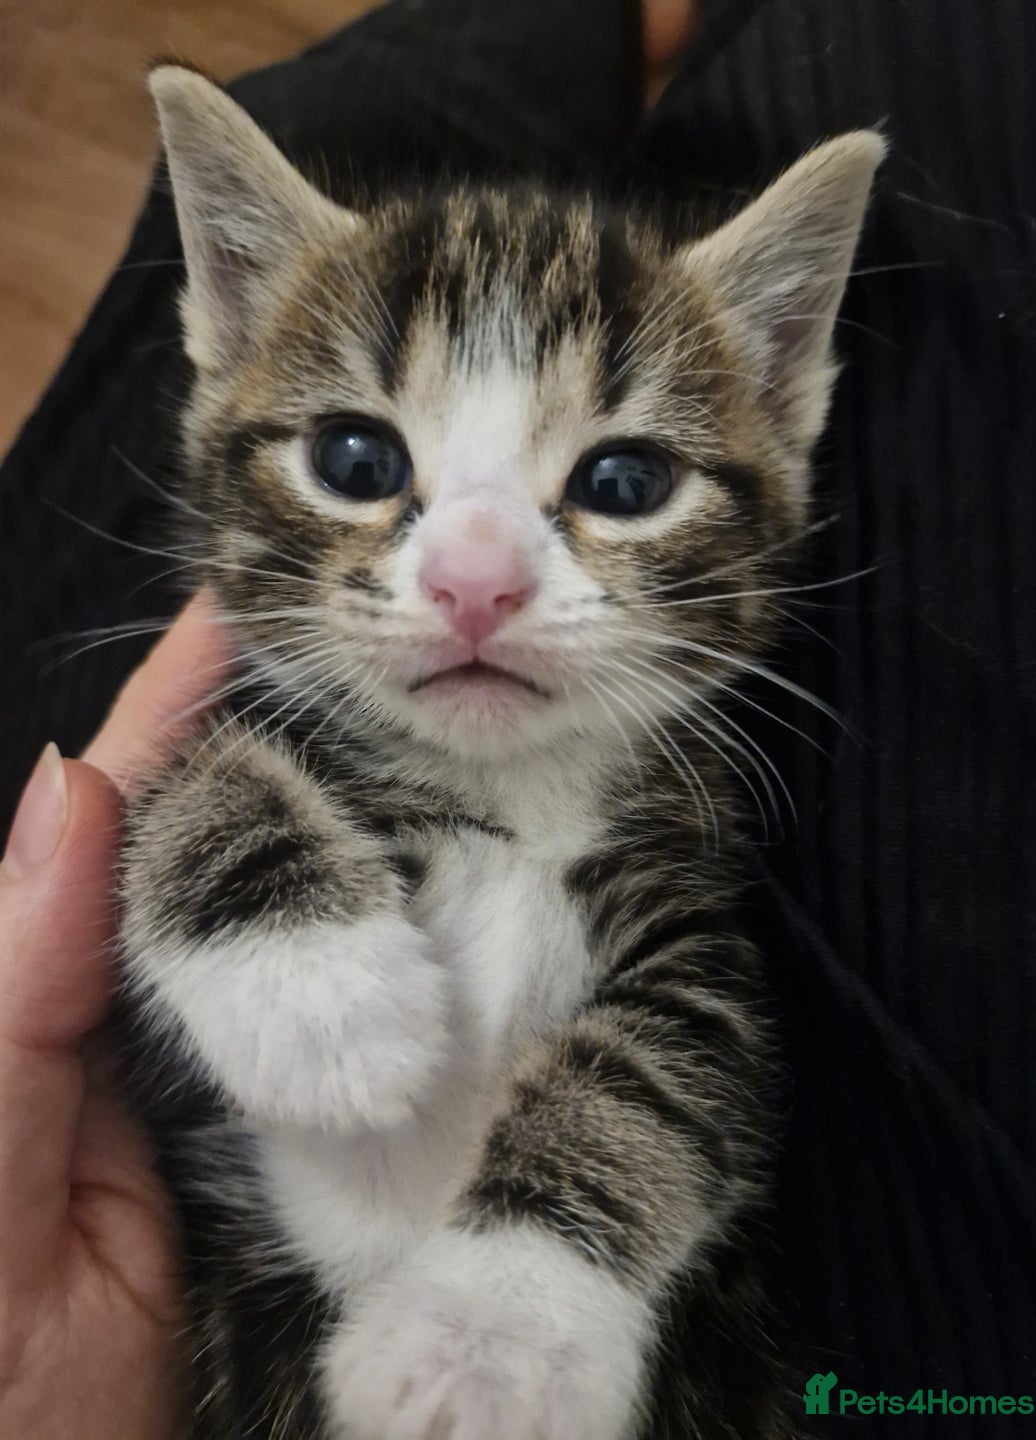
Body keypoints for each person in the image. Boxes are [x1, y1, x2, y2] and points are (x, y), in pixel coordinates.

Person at [0, 7, 696, 1436]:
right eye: (363, 458)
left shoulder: (668, 821)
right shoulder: (281, 752)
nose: (478, 583)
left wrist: (550, 1251)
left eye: (619, 483)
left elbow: (687, 1043)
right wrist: (221, 861)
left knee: (461, 68)